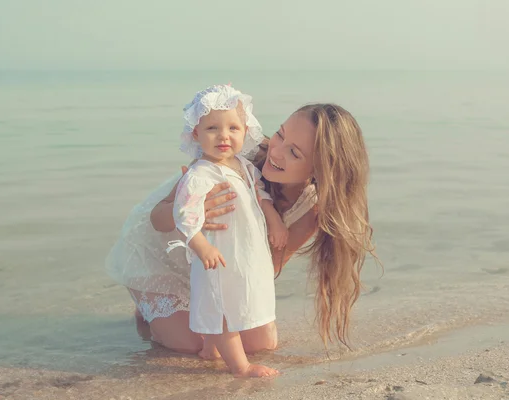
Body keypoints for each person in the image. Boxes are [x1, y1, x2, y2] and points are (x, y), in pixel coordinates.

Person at [105, 101, 377, 360]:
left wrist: (227, 311)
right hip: (163, 254)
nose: (277, 151)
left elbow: (265, 269)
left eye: (295, 152)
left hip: (219, 267)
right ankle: (148, 308)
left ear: (320, 171)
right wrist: (188, 211)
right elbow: (157, 219)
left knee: (261, 346)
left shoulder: (309, 209)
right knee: (190, 346)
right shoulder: (232, 155)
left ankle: (182, 312)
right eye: (280, 135)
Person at [163, 84, 280, 377]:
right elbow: (185, 213)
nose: (224, 135)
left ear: (246, 131)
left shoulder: (244, 166)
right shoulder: (200, 173)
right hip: (218, 251)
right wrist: (201, 244)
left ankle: (209, 350)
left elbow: (260, 194)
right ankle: (241, 367)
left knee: (240, 298)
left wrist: (275, 221)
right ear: (196, 134)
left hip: (245, 251)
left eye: (233, 128)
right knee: (223, 306)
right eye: (212, 128)